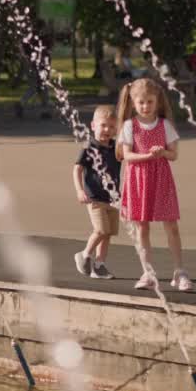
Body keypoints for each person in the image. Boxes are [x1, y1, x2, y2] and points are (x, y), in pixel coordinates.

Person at [115, 77, 190, 291]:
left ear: (157, 101)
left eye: (149, 101)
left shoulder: (165, 125)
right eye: (141, 102)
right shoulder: (130, 126)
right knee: (141, 228)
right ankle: (147, 272)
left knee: (171, 226)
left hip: (161, 179)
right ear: (133, 103)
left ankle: (179, 271)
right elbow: (127, 155)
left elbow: (173, 155)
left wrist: (162, 152)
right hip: (138, 181)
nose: (146, 106)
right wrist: (148, 155)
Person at [74, 105, 122, 279]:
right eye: (103, 125)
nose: (107, 130)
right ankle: (84, 254)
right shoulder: (89, 148)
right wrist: (80, 190)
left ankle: (99, 264)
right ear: (93, 125)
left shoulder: (116, 148)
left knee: (108, 233)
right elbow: (77, 170)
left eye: (111, 126)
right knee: (101, 230)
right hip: (94, 197)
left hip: (113, 198)